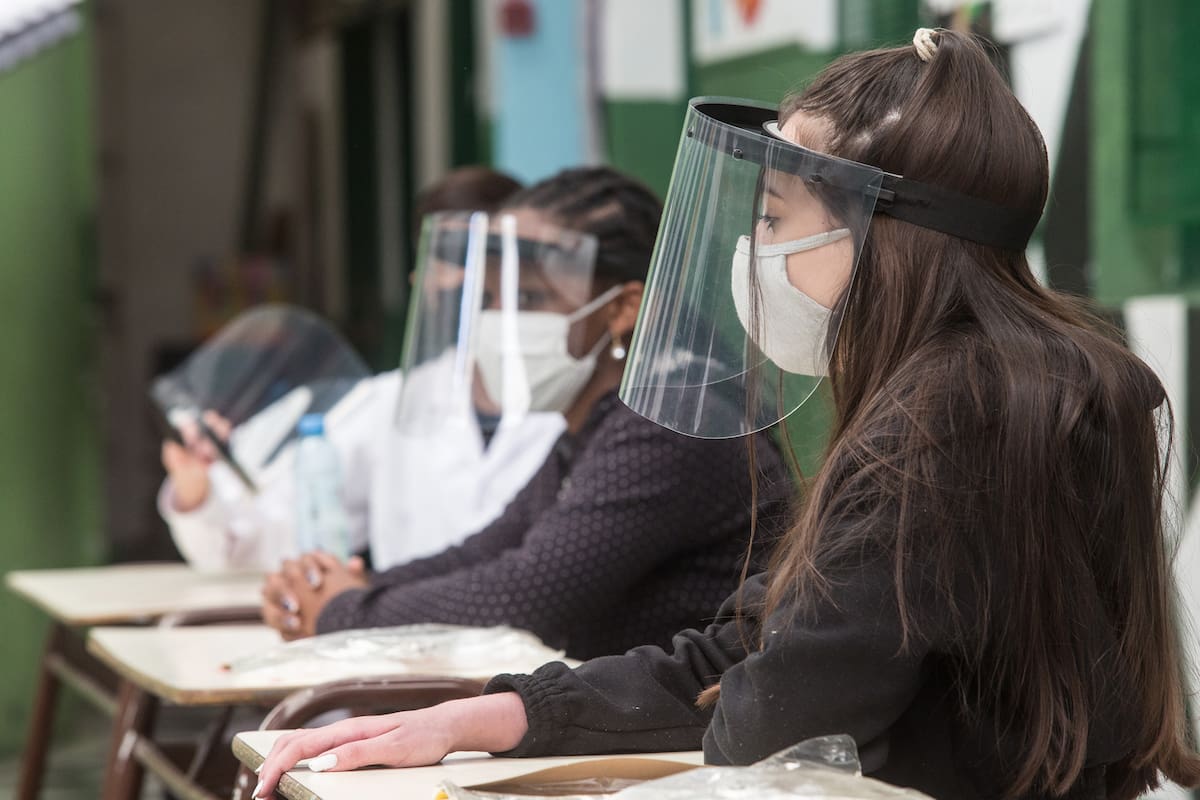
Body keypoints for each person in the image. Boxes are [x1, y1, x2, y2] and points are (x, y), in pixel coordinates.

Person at [254, 30, 1200, 800]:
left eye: (776, 218)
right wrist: (492, 716)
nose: (754, 247)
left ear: (884, 235)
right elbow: (751, 652)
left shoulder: (951, 421)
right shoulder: (1006, 385)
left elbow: (770, 725)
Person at [259, 166, 793, 664]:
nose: (500, 320)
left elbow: (526, 595)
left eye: (530, 297)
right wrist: (353, 589)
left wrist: (342, 611)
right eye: (490, 299)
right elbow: (487, 550)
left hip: (695, 727)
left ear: (621, 308)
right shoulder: (606, 421)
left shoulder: (675, 420)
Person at [157, 166, 564, 572]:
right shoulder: (387, 406)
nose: (477, 280)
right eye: (457, 257)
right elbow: (264, 540)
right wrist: (201, 493)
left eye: (494, 258)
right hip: (412, 615)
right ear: (423, 280)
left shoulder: (571, 399)